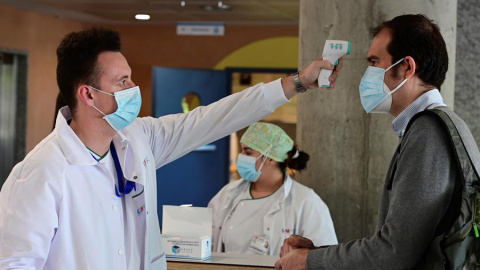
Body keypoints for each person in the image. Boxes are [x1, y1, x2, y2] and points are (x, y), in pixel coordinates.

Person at [0, 27, 342, 270]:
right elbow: (14, 263)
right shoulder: (41, 172)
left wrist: (297, 83)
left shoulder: (139, 139)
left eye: (131, 77)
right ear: (87, 94)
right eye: (122, 82)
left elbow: (215, 118)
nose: (135, 88)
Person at [275, 14, 464, 270]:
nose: (367, 74)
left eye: (374, 62)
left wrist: (310, 261)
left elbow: (394, 254)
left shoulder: (428, 134)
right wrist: (317, 254)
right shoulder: (440, 126)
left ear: (407, 67)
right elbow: (401, 247)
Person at [208, 122, 337, 256]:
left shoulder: (307, 202)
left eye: (247, 152)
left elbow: (324, 258)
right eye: (241, 150)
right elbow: (206, 241)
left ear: (271, 158)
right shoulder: (228, 193)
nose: (241, 156)